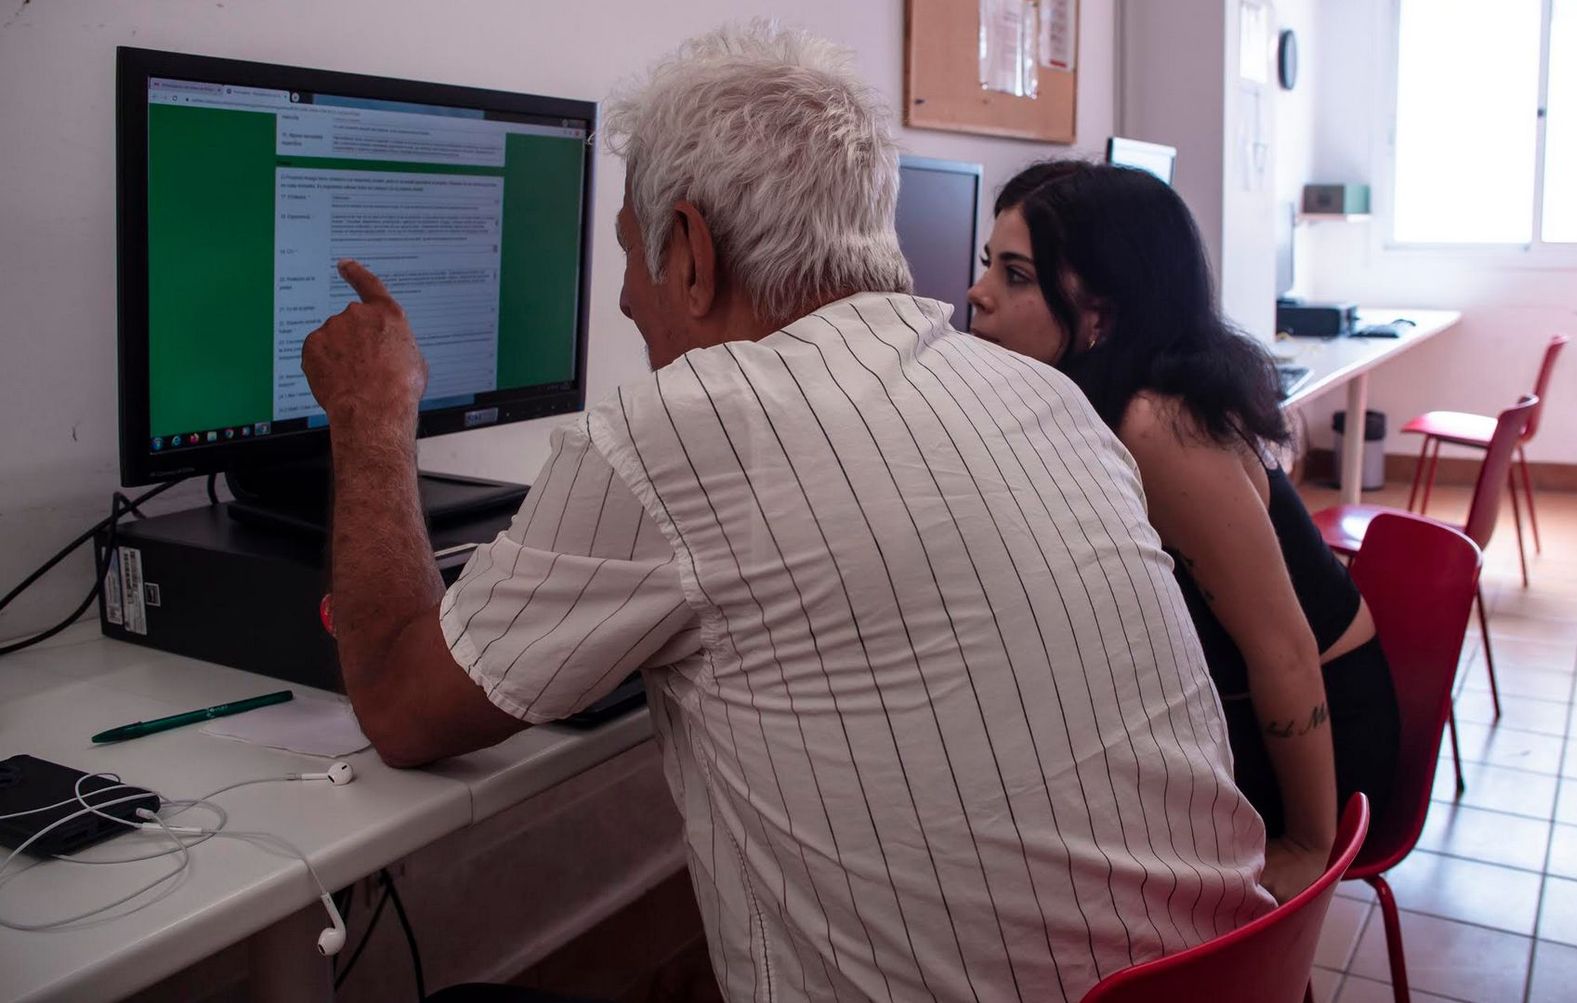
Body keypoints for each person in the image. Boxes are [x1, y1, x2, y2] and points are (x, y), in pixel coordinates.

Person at [301, 26, 1274, 1001]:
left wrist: (371, 415)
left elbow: (398, 704)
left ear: (690, 249)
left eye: (633, 260)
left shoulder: (678, 433)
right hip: (1233, 972)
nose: (632, 303)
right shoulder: (1046, 396)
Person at [967, 159, 1400, 903]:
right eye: (988, 266)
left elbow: (1284, 648)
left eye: (1016, 275)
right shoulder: (1084, 399)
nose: (977, 294)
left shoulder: (1156, 424)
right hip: (1239, 707)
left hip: (1326, 751)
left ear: (1099, 313)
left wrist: (1306, 843)